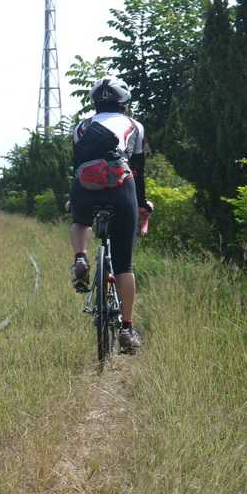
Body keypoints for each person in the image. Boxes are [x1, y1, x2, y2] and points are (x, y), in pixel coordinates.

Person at [68, 76, 152, 354]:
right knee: (124, 265)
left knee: (79, 221)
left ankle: (80, 258)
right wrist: (141, 204)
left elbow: (77, 164)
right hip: (120, 186)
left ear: (95, 102)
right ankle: (127, 329)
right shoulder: (135, 126)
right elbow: (138, 170)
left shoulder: (81, 126)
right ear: (123, 102)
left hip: (86, 184)